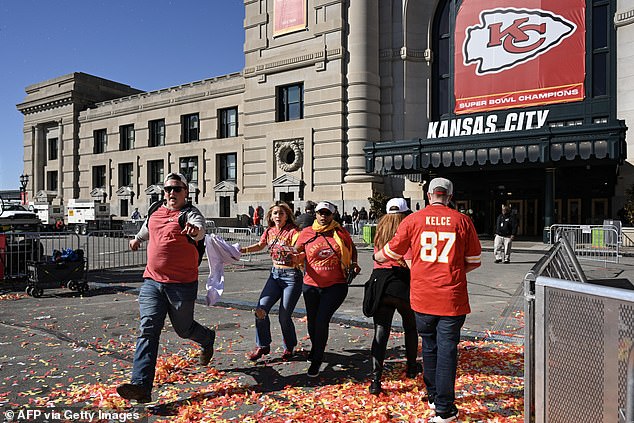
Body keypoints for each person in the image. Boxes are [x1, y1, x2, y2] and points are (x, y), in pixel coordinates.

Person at [374, 177, 481, 422]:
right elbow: (474, 261)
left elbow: (391, 252)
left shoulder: (413, 220)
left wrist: (379, 255)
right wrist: (451, 271)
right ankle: (444, 407)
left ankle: (434, 397)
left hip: (422, 296)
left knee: (429, 347)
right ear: (450, 197)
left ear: (429, 195)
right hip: (451, 297)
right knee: (447, 351)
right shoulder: (463, 221)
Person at [117, 172, 215, 404]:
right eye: (168, 189)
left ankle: (207, 338)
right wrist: (137, 240)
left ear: (186, 193)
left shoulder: (189, 214)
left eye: (177, 189)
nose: (171, 193)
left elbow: (200, 229)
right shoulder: (154, 210)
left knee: (184, 329)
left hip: (181, 285)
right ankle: (141, 386)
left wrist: (195, 231)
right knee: (148, 329)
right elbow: (146, 229)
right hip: (152, 282)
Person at [294, 201, 360, 377]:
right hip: (311, 285)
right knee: (312, 322)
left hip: (336, 285)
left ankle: (316, 359)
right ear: (315, 214)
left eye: (327, 214)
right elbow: (298, 252)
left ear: (333, 215)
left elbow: (352, 249)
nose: (323, 217)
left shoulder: (340, 232)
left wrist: (353, 263)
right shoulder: (307, 233)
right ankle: (317, 349)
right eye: (320, 213)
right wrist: (293, 257)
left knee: (322, 320)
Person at [364, 198, 420, 395]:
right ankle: (412, 368)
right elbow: (411, 258)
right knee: (411, 327)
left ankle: (375, 379)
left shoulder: (380, 229)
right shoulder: (407, 229)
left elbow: (376, 255)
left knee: (381, 331)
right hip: (403, 281)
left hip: (381, 283)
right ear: (405, 213)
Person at [239, 201, 303, 361]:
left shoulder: (294, 232)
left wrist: (296, 253)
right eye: (275, 213)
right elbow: (260, 245)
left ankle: (289, 347)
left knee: (284, 316)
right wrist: (241, 250)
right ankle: (263, 345)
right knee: (260, 310)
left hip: (291, 277)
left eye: (281, 213)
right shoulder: (269, 231)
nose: (278, 216)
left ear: (287, 215)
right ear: (271, 216)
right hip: (275, 275)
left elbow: (299, 246)